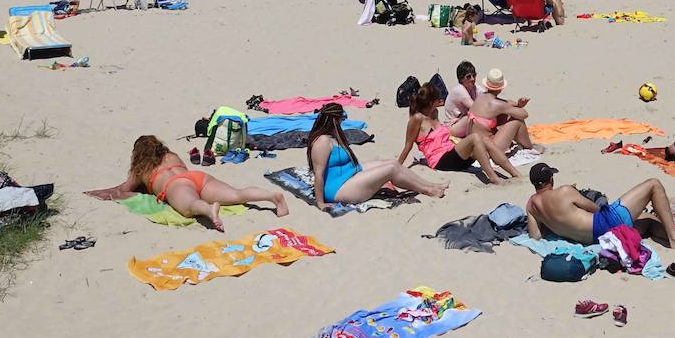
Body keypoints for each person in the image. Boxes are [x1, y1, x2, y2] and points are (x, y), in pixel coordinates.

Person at [86, 135, 287, 232]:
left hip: (175, 186)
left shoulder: (142, 168)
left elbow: (122, 190)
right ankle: (271, 197)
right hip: (198, 177)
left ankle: (209, 211)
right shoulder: (171, 155)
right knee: (237, 194)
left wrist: (99, 192)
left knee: (190, 207)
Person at [525, 163, 675, 249]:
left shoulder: (531, 205)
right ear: (551, 179)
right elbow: (596, 209)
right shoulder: (564, 191)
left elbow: (535, 235)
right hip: (605, 224)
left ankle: (671, 233)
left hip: (593, 239)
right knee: (653, 184)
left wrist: (559, 222)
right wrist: (575, 197)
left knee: (647, 221)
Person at [308, 104, 447, 209]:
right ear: (334, 120)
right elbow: (318, 174)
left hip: (350, 174)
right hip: (337, 188)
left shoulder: (332, 136)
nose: (343, 122)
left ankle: (430, 185)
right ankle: (428, 190)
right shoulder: (322, 142)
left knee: (393, 163)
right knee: (390, 170)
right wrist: (320, 203)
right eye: (341, 119)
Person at [396, 85, 519, 184]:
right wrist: (396, 167)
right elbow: (408, 145)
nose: (440, 101)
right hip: (440, 160)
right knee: (475, 138)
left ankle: (515, 173)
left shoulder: (435, 113)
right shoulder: (417, 119)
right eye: (437, 99)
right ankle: (493, 177)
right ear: (430, 102)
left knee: (485, 140)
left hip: (454, 154)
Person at [457, 68, 541, 152]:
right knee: (517, 122)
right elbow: (524, 114)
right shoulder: (497, 105)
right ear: (501, 88)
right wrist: (517, 107)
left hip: (474, 146)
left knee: (503, 115)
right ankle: (530, 147)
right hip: (487, 148)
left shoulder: (481, 97)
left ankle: (524, 143)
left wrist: (516, 104)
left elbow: (504, 103)